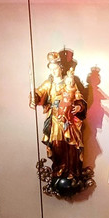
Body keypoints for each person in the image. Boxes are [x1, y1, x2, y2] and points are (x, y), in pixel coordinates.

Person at [31, 49, 88, 181]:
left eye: (55, 68)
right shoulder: (49, 83)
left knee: (70, 143)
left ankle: (72, 170)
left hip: (68, 117)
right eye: (51, 69)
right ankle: (59, 168)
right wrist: (34, 97)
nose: (53, 71)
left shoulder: (69, 81)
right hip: (55, 117)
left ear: (60, 68)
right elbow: (39, 93)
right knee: (56, 143)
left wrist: (79, 106)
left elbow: (78, 96)